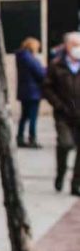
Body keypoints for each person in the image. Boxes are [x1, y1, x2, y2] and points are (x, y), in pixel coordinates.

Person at [42, 31, 80, 195]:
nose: (77, 48)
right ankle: (61, 173)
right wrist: (58, 104)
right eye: (74, 44)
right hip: (63, 114)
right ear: (66, 46)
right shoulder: (56, 65)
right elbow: (47, 87)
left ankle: (76, 184)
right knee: (65, 144)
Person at [15, 37, 46, 148]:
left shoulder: (22, 57)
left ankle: (20, 137)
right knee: (32, 117)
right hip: (32, 93)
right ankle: (32, 138)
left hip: (26, 91)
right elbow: (40, 73)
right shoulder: (28, 58)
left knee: (24, 116)